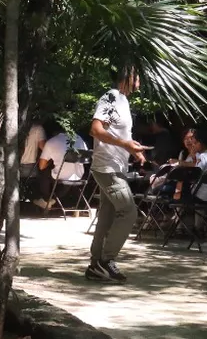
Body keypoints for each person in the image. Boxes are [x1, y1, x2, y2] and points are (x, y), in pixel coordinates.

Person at [87, 68, 146, 283]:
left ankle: (96, 265)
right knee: (129, 213)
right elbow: (95, 129)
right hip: (107, 167)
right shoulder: (110, 97)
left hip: (116, 166)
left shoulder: (124, 101)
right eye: (137, 77)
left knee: (107, 216)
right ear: (127, 78)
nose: (139, 82)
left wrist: (132, 150)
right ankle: (106, 261)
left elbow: (118, 135)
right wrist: (125, 144)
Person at [36, 126, 89, 210]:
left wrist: (51, 162)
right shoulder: (80, 139)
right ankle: (53, 200)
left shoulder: (52, 141)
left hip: (61, 176)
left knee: (44, 171)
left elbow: (41, 166)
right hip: (78, 176)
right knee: (69, 172)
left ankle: (46, 200)